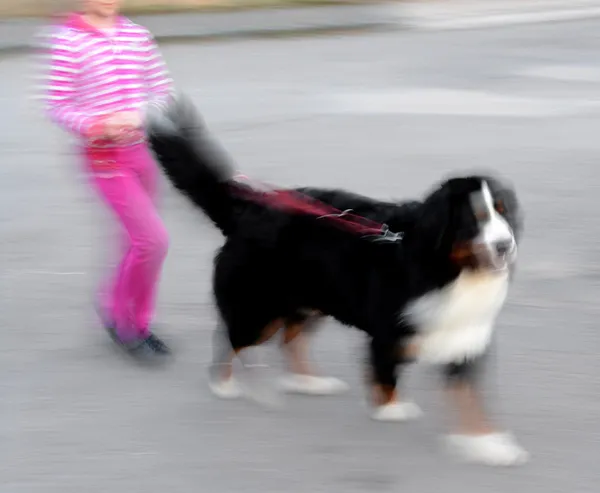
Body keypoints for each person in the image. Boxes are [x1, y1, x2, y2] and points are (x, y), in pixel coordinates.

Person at [42, 0, 174, 361]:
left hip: (140, 152)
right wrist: (97, 125)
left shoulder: (137, 35)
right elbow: (57, 104)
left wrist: (140, 114)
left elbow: (163, 93)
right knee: (153, 241)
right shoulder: (68, 40)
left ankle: (136, 320)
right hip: (103, 157)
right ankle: (123, 323)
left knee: (137, 242)